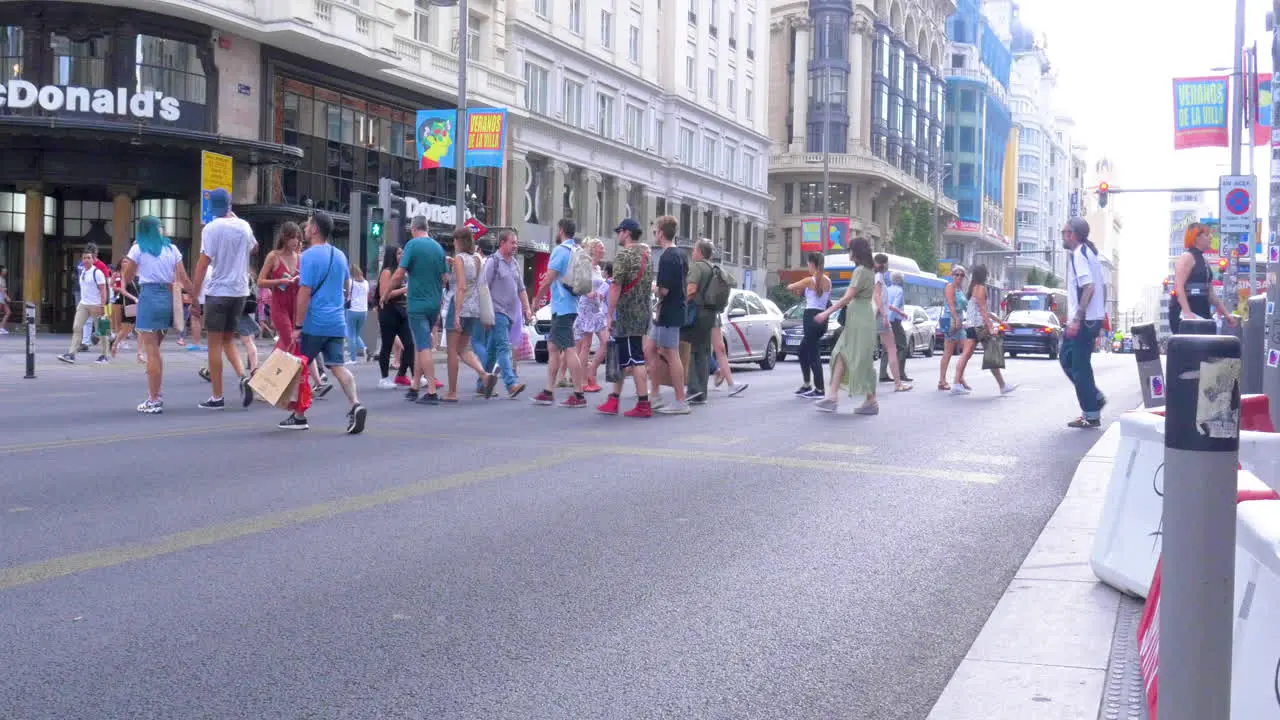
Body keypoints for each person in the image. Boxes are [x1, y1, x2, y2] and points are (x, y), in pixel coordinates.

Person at [277, 211, 367, 434]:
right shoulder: (340, 255)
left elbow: (304, 293)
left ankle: (299, 416)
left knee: (302, 367)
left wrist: (298, 326)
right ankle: (356, 404)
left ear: (315, 229)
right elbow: (346, 287)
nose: (305, 229)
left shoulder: (307, 256)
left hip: (315, 323)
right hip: (337, 322)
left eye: (308, 226)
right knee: (337, 366)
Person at [122, 216, 195, 413]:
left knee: (151, 352)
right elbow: (184, 279)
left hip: (149, 297)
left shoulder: (138, 248)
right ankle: (156, 392)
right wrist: (195, 299)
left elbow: (127, 277)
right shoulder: (172, 249)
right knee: (156, 350)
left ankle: (153, 400)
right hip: (168, 298)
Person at [191, 188, 256, 410]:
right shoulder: (244, 226)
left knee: (214, 346)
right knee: (229, 340)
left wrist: (194, 296)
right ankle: (242, 376)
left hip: (218, 292)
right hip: (239, 292)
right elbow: (255, 247)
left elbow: (202, 265)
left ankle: (217, 396)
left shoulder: (211, 228)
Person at [812, 238, 879, 415]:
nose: (848, 252)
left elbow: (847, 297)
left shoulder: (860, 271)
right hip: (862, 317)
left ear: (856, 252)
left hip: (859, 318)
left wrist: (826, 313)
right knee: (843, 354)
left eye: (850, 249)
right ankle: (833, 397)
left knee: (856, 359)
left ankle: (868, 400)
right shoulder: (870, 271)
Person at [596, 218, 655, 417]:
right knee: (623, 358)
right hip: (642, 313)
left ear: (627, 233)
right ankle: (613, 399)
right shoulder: (647, 255)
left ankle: (643, 404)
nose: (618, 234)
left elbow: (616, 285)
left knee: (635, 359)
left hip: (626, 314)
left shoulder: (624, 255)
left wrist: (609, 314)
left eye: (619, 231)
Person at [391, 215, 449, 404]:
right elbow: (445, 278)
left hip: (417, 304)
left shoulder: (412, 245)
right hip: (434, 304)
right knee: (419, 343)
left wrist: (386, 293)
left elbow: (399, 273)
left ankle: (431, 390)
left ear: (413, 229)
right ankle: (415, 386)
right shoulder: (438, 248)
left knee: (423, 346)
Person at [531, 218, 588, 407]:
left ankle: (579, 394)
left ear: (561, 230)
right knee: (553, 347)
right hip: (570, 304)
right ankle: (549, 391)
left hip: (562, 306)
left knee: (569, 348)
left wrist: (536, 299)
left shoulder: (560, 251)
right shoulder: (577, 250)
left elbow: (548, 279)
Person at [1061, 217, 1108, 429]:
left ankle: (1091, 413)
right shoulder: (1088, 254)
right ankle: (1094, 397)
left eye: (1065, 232)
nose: (1063, 236)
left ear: (1073, 235)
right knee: (1067, 359)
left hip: (1085, 320)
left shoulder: (1080, 254)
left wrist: (1077, 319)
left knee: (1079, 367)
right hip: (1090, 319)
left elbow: (1089, 288)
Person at [443, 226, 497, 401]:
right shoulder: (477, 259)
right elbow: (473, 280)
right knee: (463, 348)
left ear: (459, 241)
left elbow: (461, 287)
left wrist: (457, 313)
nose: (453, 243)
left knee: (452, 351)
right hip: (474, 309)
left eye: (454, 240)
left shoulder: (459, 258)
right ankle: (484, 374)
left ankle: (452, 392)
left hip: (460, 306)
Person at [646, 215, 691, 414]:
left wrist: (652, 286)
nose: (654, 234)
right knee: (650, 348)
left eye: (655, 231)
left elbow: (663, 290)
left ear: (662, 233)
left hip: (668, 311)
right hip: (672, 309)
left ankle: (680, 401)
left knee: (671, 354)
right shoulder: (681, 254)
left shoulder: (666, 257)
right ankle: (654, 395)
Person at [480, 229, 533, 399]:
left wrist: (527, 309)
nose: (515, 246)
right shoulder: (493, 262)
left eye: (516, 243)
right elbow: (483, 288)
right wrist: (483, 313)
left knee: (492, 351)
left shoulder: (515, 264)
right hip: (497, 312)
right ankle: (511, 383)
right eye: (513, 242)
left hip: (511, 314)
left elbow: (521, 289)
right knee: (504, 347)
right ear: (502, 243)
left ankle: (482, 383)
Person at [954, 265, 1015, 396]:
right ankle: (1002, 385)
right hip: (980, 326)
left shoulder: (972, 289)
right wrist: (991, 328)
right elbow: (983, 311)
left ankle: (956, 383)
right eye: (986, 274)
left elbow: (983, 310)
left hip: (971, 326)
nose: (987, 276)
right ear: (983, 275)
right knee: (992, 354)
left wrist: (1000, 322)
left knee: (966, 355)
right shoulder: (980, 289)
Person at [1170, 222, 1237, 334]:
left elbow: (1211, 294)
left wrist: (1226, 314)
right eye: (1207, 235)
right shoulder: (1187, 257)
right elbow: (1178, 287)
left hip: (1201, 315)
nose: (1211, 237)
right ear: (1197, 238)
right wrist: (1187, 313)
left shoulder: (1203, 261)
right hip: (1186, 316)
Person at [787, 252, 832, 398]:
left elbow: (790, 287)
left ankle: (819, 389)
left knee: (813, 354)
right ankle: (807, 385)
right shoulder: (828, 281)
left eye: (808, 263)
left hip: (810, 318)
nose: (807, 266)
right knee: (803, 351)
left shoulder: (809, 280)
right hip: (822, 319)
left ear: (812, 264)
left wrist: (796, 286)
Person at [682, 239, 720, 405]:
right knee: (704, 353)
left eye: (694, 250)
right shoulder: (714, 268)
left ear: (699, 252)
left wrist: (682, 302)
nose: (692, 252)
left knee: (690, 350)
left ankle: (693, 390)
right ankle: (702, 392)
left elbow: (691, 290)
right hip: (710, 314)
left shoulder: (697, 266)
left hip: (695, 313)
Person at [58, 246, 109, 365]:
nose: (86, 260)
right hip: (84, 304)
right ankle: (71, 354)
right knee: (76, 327)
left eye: (89, 258)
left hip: (97, 305)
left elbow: (103, 290)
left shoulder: (98, 273)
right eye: (84, 258)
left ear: (93, 259)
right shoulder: (83, 272)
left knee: (102, 330)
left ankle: (104, 355)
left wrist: (103, 306)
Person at [375, 244, 414, 388]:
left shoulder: (403, 272)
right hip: (389, 311)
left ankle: (409, 374)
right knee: (387, 344)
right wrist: (404, 289)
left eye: (403, 253)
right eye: (398, 254)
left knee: (409, 344)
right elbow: (384, 294)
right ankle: (384, 377)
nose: (402, 256)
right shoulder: (387, 271)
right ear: (392, 256)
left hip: (403, 311)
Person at [573, 238, 610, 393]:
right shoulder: (585, 265)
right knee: (586, 345)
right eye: (601, 248)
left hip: (597, 307)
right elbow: (577, 285)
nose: (603, 250)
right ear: (593, 249)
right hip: (586, 306)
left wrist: (600, 294)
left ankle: (591, 370)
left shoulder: (597, 268)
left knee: (606, 341)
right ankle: (582, 380)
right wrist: (588, 292)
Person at [872, 253, 910, 392]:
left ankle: (889, 378)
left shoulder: (882, 280)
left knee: (887, 349)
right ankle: (898, 381)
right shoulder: (879, 277)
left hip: (881, 317)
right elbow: (878, 297)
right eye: (887, 263)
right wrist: (887, 317)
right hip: (885, 319)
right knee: (897, 348)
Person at [936, 265, 968, 391]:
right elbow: (950, 304)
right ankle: (942, 381)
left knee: (966, 350)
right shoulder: (950, 287)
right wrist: (955, 319)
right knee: (948, 352)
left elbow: (964, 306)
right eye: (957, 274)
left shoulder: (960, 289)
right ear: (952, 275)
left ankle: (960, 378)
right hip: (951, 321)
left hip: (959, 321)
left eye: (962, 275)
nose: (959, 277)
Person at [881, 271, 913, 384]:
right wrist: (900, 314)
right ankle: (900, 373)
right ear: (900, 280)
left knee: (886, 347)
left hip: (884, 320)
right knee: (902, 346)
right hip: (894, 321)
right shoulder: (899, 290)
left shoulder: (887, 289)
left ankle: (883, 373)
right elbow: (893, 306)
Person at [345, 263, 369, 364]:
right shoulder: (366, 283)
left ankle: (353, 359)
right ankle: (364, 348)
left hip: (352, 310)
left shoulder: (350, 282)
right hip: (364, 311)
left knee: (351, 335)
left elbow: (347, 295)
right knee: (356, 334)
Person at [0, 264, 10, 334]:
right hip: (0, 298)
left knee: (8, 312)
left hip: (2, 298)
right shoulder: (0, 279)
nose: (6, 271)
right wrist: (7, 297)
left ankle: (1, 328)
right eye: (4, 270)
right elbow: (1, 289)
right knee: (8, 312)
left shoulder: (3, 279)